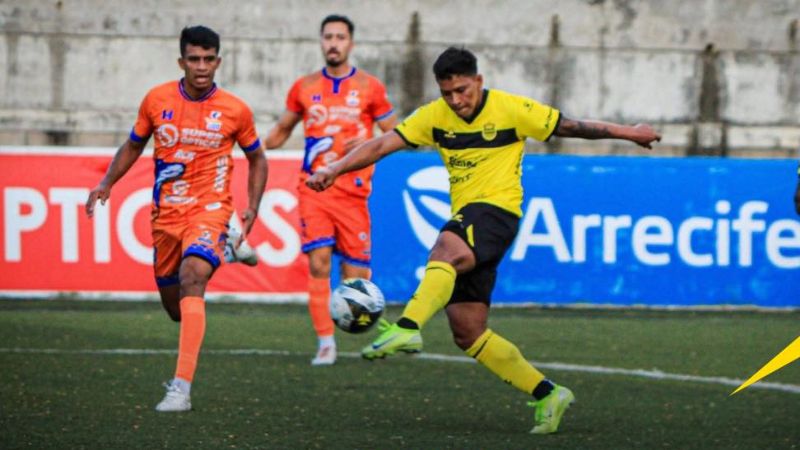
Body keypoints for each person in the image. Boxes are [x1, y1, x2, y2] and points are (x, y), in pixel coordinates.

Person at [306, 47, 661, 434]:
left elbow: (572, 126)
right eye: (448, 94)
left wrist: (631, 133)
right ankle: (548, 393)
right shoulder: (433, 116)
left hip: (497, 212)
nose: (456, 101)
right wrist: (336, 168)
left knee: (444, 249)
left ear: (478, 80)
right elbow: (380, 145)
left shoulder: (511, 109)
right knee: (468, 331)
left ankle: (407, 326)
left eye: (462, 90)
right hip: (470, 217)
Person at [85, 25, 267, 412]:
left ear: (218, 61)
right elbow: (133, 144)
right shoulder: (156, 100)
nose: (202, 67)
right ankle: (231, 243)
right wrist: (106, 183)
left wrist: (252, 206)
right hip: (166, 216)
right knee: (175, 308)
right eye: (194, 59)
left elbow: (257, 158)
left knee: (193, 277)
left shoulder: (236, 109)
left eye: (209, 59)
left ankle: (180, 388)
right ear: (181, 61)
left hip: (210, 208)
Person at [264, 14, 396, 366]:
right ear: (321, 42)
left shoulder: (370, 87)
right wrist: (253, 144)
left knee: (356, 278)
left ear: (350, 43)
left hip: (354, 191)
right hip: (314, 188)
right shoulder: (304, 87)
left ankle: (375, 334)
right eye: (328, 37)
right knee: (319, 262)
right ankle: (325, 343)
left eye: (340, 37)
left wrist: (367, 138)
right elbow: (280, 131)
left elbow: (395, 132)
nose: (333, 43)